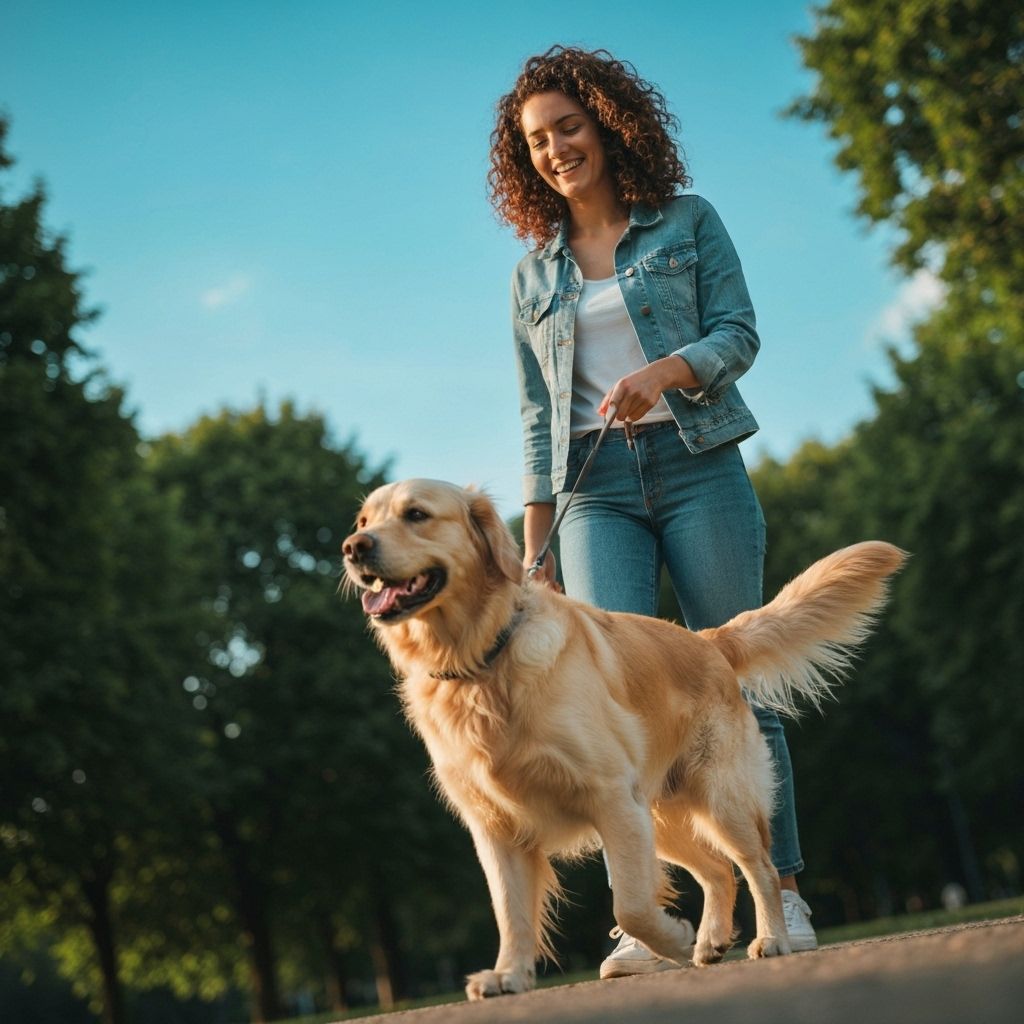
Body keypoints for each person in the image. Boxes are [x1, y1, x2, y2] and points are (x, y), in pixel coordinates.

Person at [488, 45, 818, 978]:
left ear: (606, 123)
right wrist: (533, 548)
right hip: (593, 495)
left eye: (569, 128)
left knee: (731, 679)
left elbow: (738, 333)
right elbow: (535, 417)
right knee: (603, 703)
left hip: (697, 463)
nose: (557, 150)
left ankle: (780, 891)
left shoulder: (686, 221)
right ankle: (646, 916)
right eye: (537, 141)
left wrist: (667, 373)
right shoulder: (531, 277)